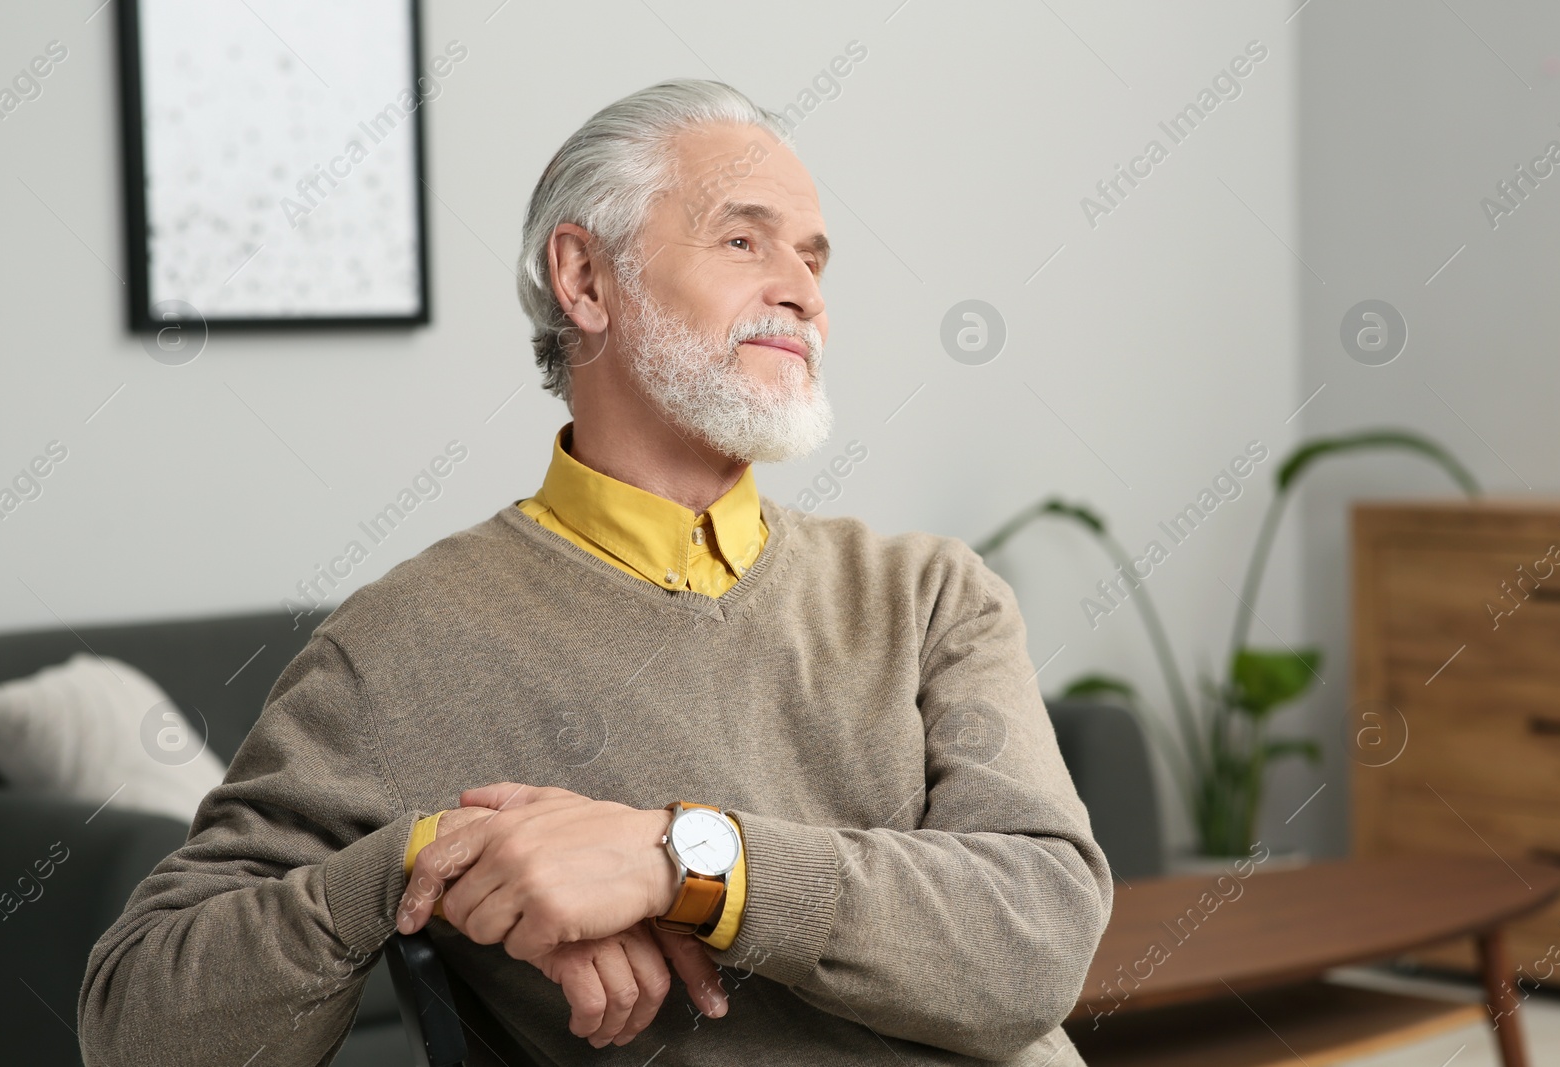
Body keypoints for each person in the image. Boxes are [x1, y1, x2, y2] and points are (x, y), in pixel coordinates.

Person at [79, 78, 1111, 1066]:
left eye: (813, 259)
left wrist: (680, 861)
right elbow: (140, 1027)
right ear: (584, 280)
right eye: (743, 239)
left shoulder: (930, 593)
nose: (800, 291)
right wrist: (425, 859)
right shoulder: (397, 648)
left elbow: (1036, 936)